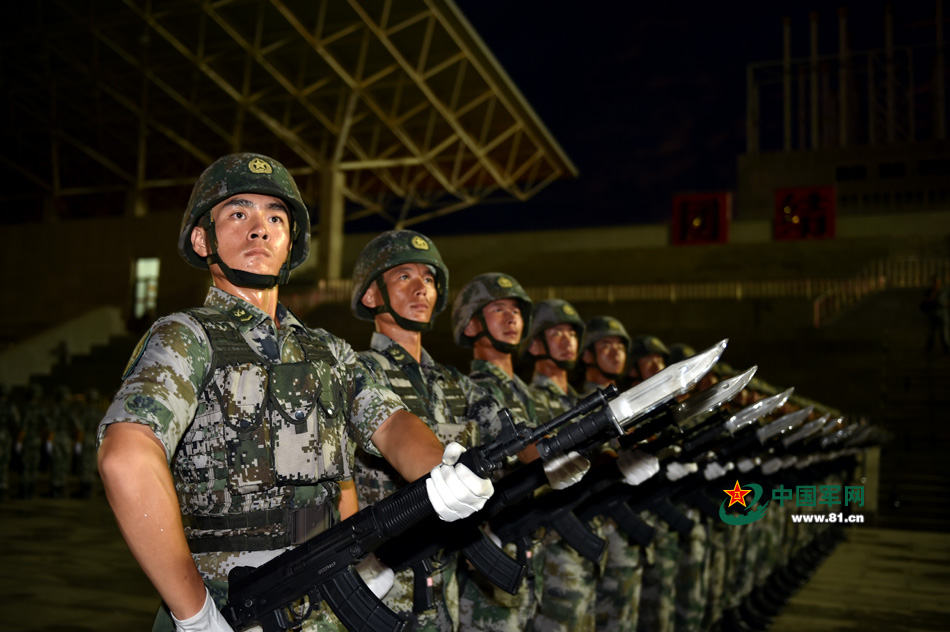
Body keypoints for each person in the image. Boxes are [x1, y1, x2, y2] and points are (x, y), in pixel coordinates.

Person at [96, 153, 494, 632]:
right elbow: (126, 457)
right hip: (232, 606)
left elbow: (391, 423)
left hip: (325, 604)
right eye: (238, 213)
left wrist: (442, 470)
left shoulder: (328, 351)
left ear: (290, 244)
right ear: (203, 239)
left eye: (275, 218)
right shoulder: (187, 337)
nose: (259, 230)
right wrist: (195, 613)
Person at [349, 229, 503, 630]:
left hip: (445, 577)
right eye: (404, 276)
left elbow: (514, 437)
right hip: (381, 581)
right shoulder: (356, 370)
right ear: (371, 295)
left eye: (429, 278)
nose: (421, 288)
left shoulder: (455, 384)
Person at [921, 276, 950, 354]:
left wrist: (946, 304)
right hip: (933, 314)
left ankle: (946, 348)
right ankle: (929, 348)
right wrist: (933, 294)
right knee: (931, 333)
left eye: (937, 283)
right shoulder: (929, 291)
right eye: (935, 283)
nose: (936, 284)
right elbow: (925, 302)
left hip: (943, 314)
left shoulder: (945, 291)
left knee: (944, 333)